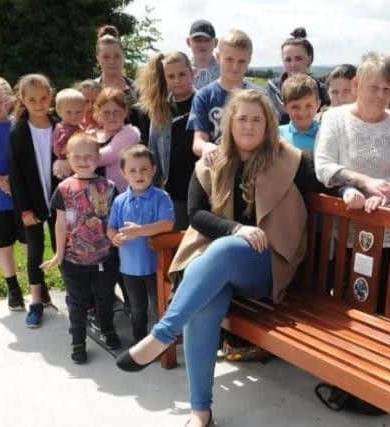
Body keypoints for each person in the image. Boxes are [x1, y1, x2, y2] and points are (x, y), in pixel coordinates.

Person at [116, 89, 324, 427]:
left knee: (226, 249)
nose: (249, 125)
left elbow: (328, 180)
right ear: (229, 122)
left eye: (257, 119)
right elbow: (196, 215)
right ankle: (201, 411)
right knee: (204, 306)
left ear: (269, 124)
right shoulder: (213, 162)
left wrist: (351, 187)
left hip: (268, 265)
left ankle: (163, 333)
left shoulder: (290, 160)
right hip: (218, 267)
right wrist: (236, 228)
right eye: (242, 118)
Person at [315, 52, 390, 316]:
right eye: (374, 87)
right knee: (347, 304)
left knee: (389, 304)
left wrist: (389, 191)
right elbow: (324, 165)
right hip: (350, 228)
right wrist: (365, 183)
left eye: (387, 89)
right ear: (356, 85)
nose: (380, 95)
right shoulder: (334, 118)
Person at [41, 133, 120, 363]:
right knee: (77, 303)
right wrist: (58, 254)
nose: (83, 161)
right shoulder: (64, 189)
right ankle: (78, 340)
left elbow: (116, 220)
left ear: (97, 157)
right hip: (73, 261)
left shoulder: (109, 187)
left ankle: (107, 328)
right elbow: (59, 223)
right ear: (67, 157)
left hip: (104, 258)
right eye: (77, 157)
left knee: (105, 298)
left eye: (89, 156)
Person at [108, 145, 174, 343]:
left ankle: (162, 341)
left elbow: (167, 224)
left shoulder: (161, 197)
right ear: (123, 174)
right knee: (137, 307)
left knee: (159, 306)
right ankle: (139, 340)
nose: (139, 175)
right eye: (133, 170)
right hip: (129, 268)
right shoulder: (119, 200)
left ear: (154, 170)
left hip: (156, 267)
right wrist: (114, 238)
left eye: (144, 169)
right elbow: (111, 227)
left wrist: (140, 231)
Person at [9, 73, 57, 327]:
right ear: (22, 100)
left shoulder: (59, 124)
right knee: (35, 250)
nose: (38, 104)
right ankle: (36, 301)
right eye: (32, 99)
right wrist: (24, 209)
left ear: (51, 96)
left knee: (67, 247)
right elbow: (15, 175)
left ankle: (80, 296)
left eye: (43, 98)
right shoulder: (18, 130)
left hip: (60, 200)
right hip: (33, 202)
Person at [135, 51, 197, 229]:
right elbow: (153, 151)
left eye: (182, 74)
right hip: (173, 192)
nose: (177, 80)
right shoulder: (161, 110)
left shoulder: (203, 103)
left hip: (201, 190)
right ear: (165, 79)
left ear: (192, 72)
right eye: (171, 76)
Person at [187, 29, 258, 164]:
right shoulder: (204, 96)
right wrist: (206, 146)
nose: (235, 67)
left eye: (241, 61)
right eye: (229, 59)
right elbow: (197, 142)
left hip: (253, 168)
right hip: (217, 167)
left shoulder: (258, 97)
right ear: (218, 57)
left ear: (249, 60)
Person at [0, 75, 26, 311]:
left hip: (21, 195)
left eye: (2, 102)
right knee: (3, 245)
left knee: (29, 241)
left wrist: (13, 182)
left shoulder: (19, 124)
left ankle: (38, 283)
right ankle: (13, 288)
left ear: (11, 101)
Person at [265, 27, 330, 125]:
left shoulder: (322, 91)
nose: (293, 65)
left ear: (310, 59)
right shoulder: (271, 91)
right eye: (288, 60)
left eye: (298, 59)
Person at [93, 87, 140, 192]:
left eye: (116, 111)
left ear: (125, 112)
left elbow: (108, 156)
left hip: (120, 198)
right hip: (94, 200)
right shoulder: (91, 134)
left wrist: (72, 160)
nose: (112, 116)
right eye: (106, 112)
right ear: (98, 112)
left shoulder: (131, 133)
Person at [94, 25, 138, 124]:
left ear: (124, 56)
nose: (112, 61)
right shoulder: (90, 91)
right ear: (98, 59)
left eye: (117, 56)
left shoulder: (138, 90)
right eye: (106, 57)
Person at [279, 74, 321, 152]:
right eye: (295, 107)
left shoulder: (326, 134)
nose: (302, 112)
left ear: (318, 104)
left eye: (308, 105)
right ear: (284, 107)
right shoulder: (278, 135)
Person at [51, 88, 85, 179]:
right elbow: (58, 149)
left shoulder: (78, 126)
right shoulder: (62, 129)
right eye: (69, 112)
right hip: (67, 168)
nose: (74, 116)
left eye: (78, 112)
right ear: (59, 112)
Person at [187, 19, 220, 90]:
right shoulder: (180, 72)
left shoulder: (226, 72)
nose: (203, 44)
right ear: (188, 42)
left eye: (207, 40)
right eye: (198, 40)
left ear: (216, 42)